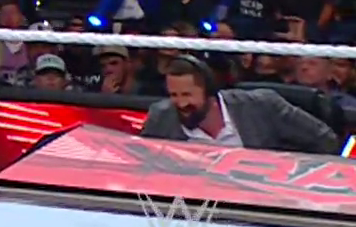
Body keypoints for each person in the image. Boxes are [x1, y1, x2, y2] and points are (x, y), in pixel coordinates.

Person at [140, 55, 340, 154]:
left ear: (209, 92)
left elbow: (326, 139)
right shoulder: (161, 117)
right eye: (174, 95)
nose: (181, 103)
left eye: (187, 94)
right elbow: (143, 164)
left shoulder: (262, 106)